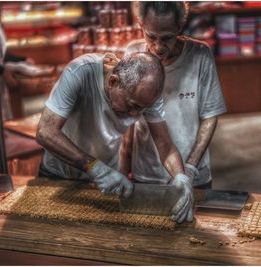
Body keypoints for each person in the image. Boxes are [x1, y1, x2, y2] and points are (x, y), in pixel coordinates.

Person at [36, 52, 194, 223]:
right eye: (132, 105)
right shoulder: (80, 72)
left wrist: (181, 177)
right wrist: (94, 167)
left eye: (141, 109)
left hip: (106, 181)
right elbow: (45, 131)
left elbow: (165, 146)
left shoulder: (146, 96)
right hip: (59, 175)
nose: (135, 114)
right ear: (113, 82)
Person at [120, 2, 227, 206]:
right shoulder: (133, 54)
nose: (158, 47)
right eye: (151, 36)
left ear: (180, 27)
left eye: (167, 37)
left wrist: (190, 168)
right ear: (140, 25)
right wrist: (123, 171)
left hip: (193, 174)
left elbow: (210, 115)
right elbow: (128, 120)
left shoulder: (200, 56)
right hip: (147, 174)